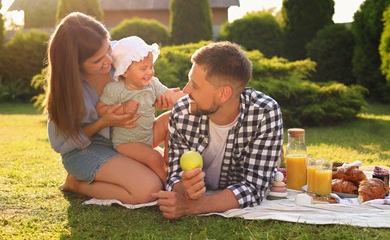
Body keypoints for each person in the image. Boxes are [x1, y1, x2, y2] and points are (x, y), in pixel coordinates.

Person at [45, 12, 172, 204]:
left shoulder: (120, 54)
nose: (108, 60)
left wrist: (157, 99)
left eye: (107, 49)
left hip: (123, 140)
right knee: (148, 190)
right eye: (97, 60)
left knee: (164, 168)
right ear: (75, 65)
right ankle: (76, 184)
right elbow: (62, 144)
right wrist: (103, 122)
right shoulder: (68, 91)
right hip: (85, 150)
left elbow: (143, 84)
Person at [152, 41, 283, 219]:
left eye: (195, 85)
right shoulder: (182, 111)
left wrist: (192, 207)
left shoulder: (264, 113)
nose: (185, 90)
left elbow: (254, 187)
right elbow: (174, 174)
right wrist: (184, 188)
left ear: (223, 94)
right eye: (189, 80)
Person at [96, 36, 185, 183]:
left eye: (151, 67)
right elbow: (100, 109)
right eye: (143, 68)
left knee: (170, 117)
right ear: (125, 71)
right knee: (154, 157)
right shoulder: (116, 89)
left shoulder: (153, 84)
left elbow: (171, 96)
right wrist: (122, 108)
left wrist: (194, 96)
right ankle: (169, 184)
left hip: (149, 135)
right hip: (127, 143)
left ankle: (170, 159)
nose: (149, 72)